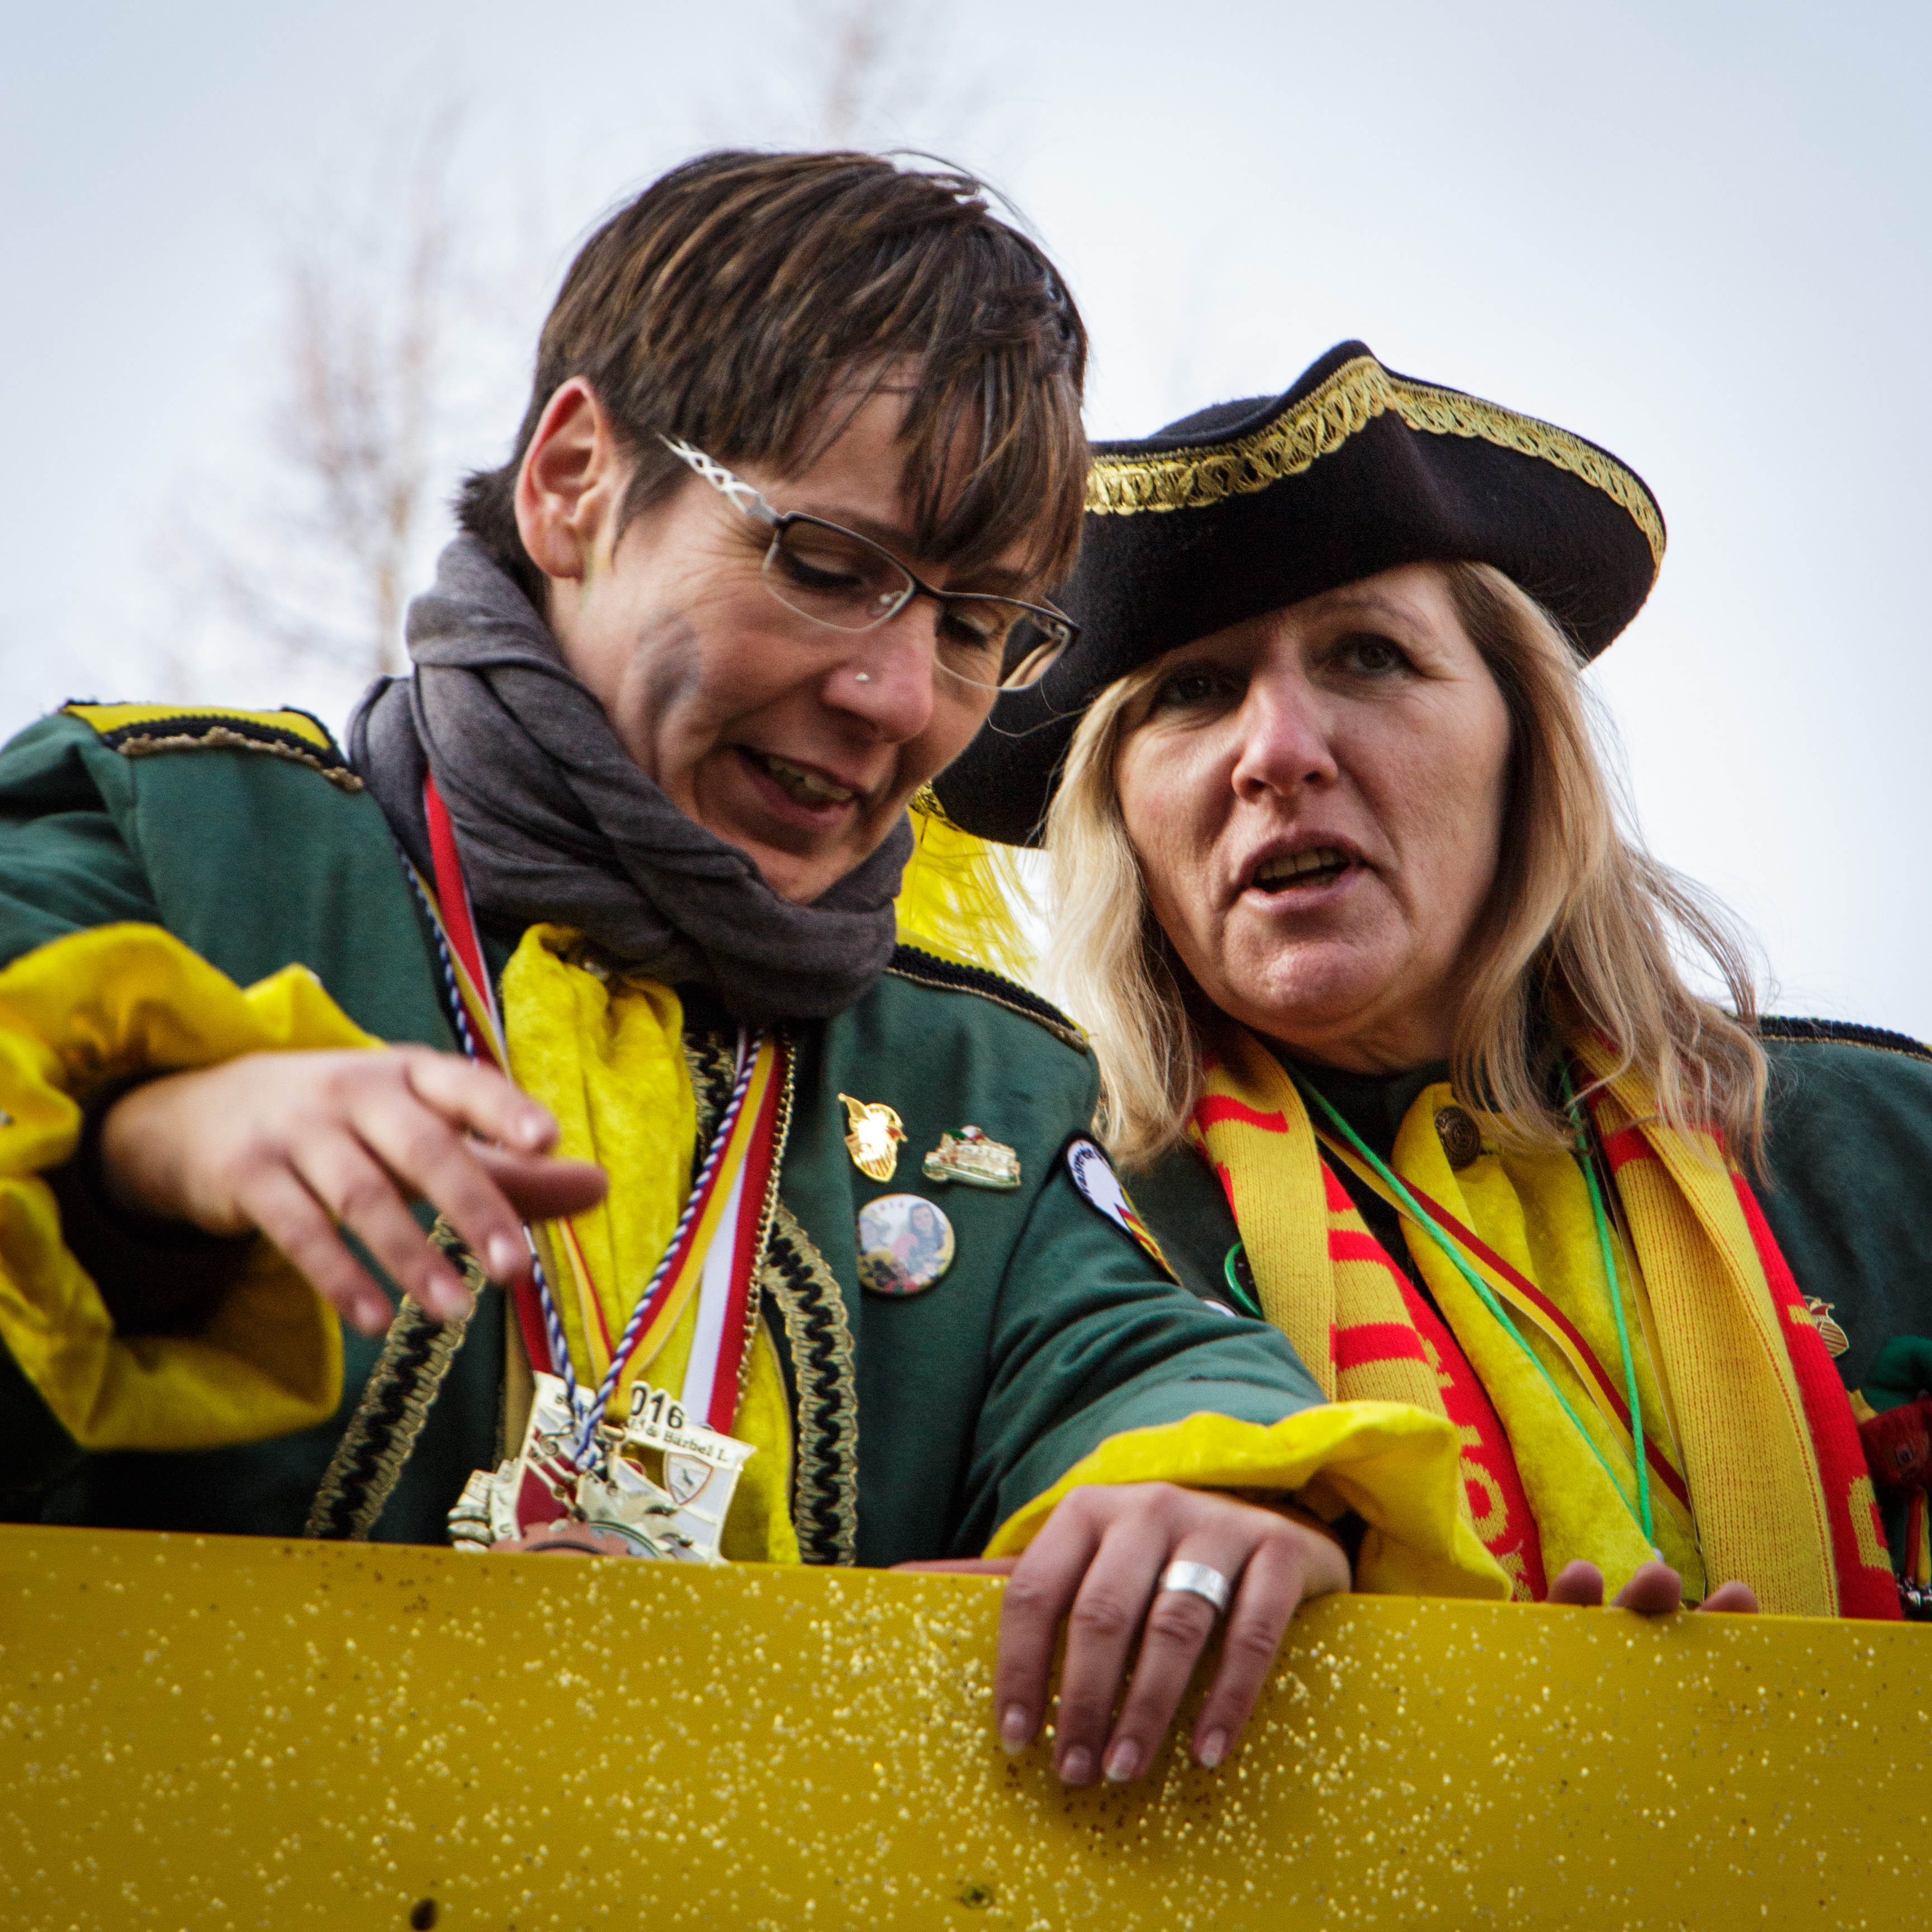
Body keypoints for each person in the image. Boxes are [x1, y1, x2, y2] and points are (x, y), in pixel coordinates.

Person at [0, 166, 1504, 1796]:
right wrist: (144, 1151)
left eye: (978, 628)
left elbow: (1138, 1361)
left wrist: (1203, 1505)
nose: (898, 698)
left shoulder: (987, 1091)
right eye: (828, 564)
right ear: (574, 483)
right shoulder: (164, 835)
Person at [935, 339, 1932, 1622]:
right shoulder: (1041, 1220)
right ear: (1117, 813)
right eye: (1194, 691)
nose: (1278, 750)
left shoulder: (1893, 1152)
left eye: (1368, 656)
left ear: (1528, 745)